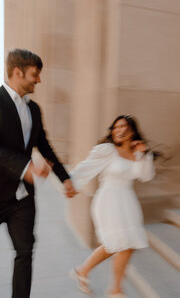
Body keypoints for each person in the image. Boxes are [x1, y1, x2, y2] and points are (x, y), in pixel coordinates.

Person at [0, 48, 76, 298]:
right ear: (18, 72)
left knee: (25, 253)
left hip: (22, 198)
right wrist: (25, 168)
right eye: (35, 74)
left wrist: (64, 178)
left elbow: (44, 145)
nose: (39, 80)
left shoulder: (34, 109)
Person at [69, 115, 155, 298]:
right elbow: (86, 167)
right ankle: (116, 290)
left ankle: (83, 271)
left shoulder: (137, 152)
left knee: (122, 244)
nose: (118, 130)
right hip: (108, 200)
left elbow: (146, 176)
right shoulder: (107, 150)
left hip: (128, 202)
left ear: (132, 131)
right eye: (115, 127)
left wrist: (143, 153)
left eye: (123, 126)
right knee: (119, 244)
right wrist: (70, 183)